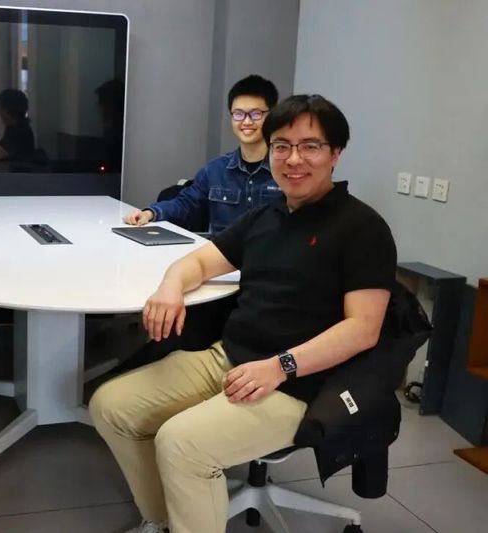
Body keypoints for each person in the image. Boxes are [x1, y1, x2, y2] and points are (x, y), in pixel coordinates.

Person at [90, 94, 397, 533]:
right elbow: (198, 262)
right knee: (110, 406)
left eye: (310, 146)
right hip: (229, 358)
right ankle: (164, 521)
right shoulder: (265, 217)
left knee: (181, 443)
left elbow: (363, 329)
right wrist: (171, 286)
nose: (294, 159)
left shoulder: (362, 228)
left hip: (299, 383)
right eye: (282, 146)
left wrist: (280, 366)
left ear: (335, 154)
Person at [124, 74, 281, 233]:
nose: (246, 122)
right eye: (238, 114)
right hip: (221, 249)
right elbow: (185, 204)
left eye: (255, 114)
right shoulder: (215, 170)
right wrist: (150, 213)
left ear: (271, 116)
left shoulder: (285, 170)